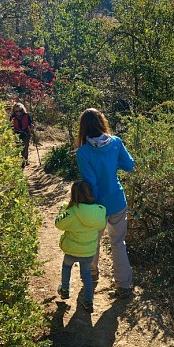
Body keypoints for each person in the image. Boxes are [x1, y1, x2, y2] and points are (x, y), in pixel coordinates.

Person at [75, 108, 135, 299]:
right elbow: (130, 165)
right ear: (102, 122)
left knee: (93, 242)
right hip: (117, 200)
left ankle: (91, 276)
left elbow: (90, 183)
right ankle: (124, 286)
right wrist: (111, 164)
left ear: (83, 127)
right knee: (118, 243)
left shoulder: (83, 151)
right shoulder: (115, 142)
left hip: (96, 206)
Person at [54, 180, 107, 312]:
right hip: (88, 252)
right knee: (86, 275)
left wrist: (63, 209)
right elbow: (101, 225)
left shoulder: (71, 211)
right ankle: (88, 302)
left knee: (66, 267)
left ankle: (65, 289)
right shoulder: (98, 211)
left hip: (71, 250)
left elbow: (58, 224)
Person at [10, 102, 33, 167]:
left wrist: (32, 126)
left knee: (25, 147)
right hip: (17, 134)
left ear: (22, 110)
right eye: (16, 111)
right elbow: (10, 126)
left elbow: (30, 123)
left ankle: (25, 160)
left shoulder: (26, 115)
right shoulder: (12, 117)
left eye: (20, 110)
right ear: (14, 111)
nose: (18, 112)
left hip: (26, 133)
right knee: (19, 147)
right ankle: (21, 161)